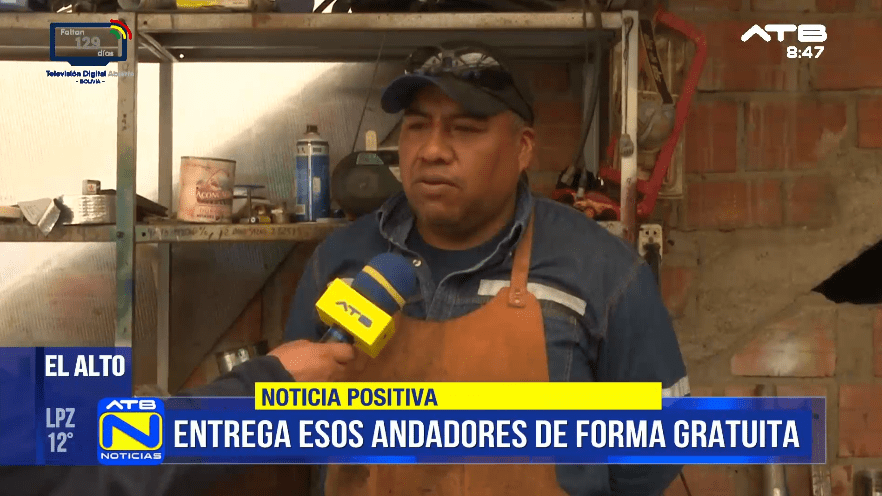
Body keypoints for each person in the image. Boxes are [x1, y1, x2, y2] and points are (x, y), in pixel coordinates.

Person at [281, 41, 690, 496]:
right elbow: (291, 430)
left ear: (522, 148)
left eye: (465, 129)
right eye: (417, 126)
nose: (432, 150)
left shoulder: (603, 271)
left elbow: (654, 451)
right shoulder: (339, 261)